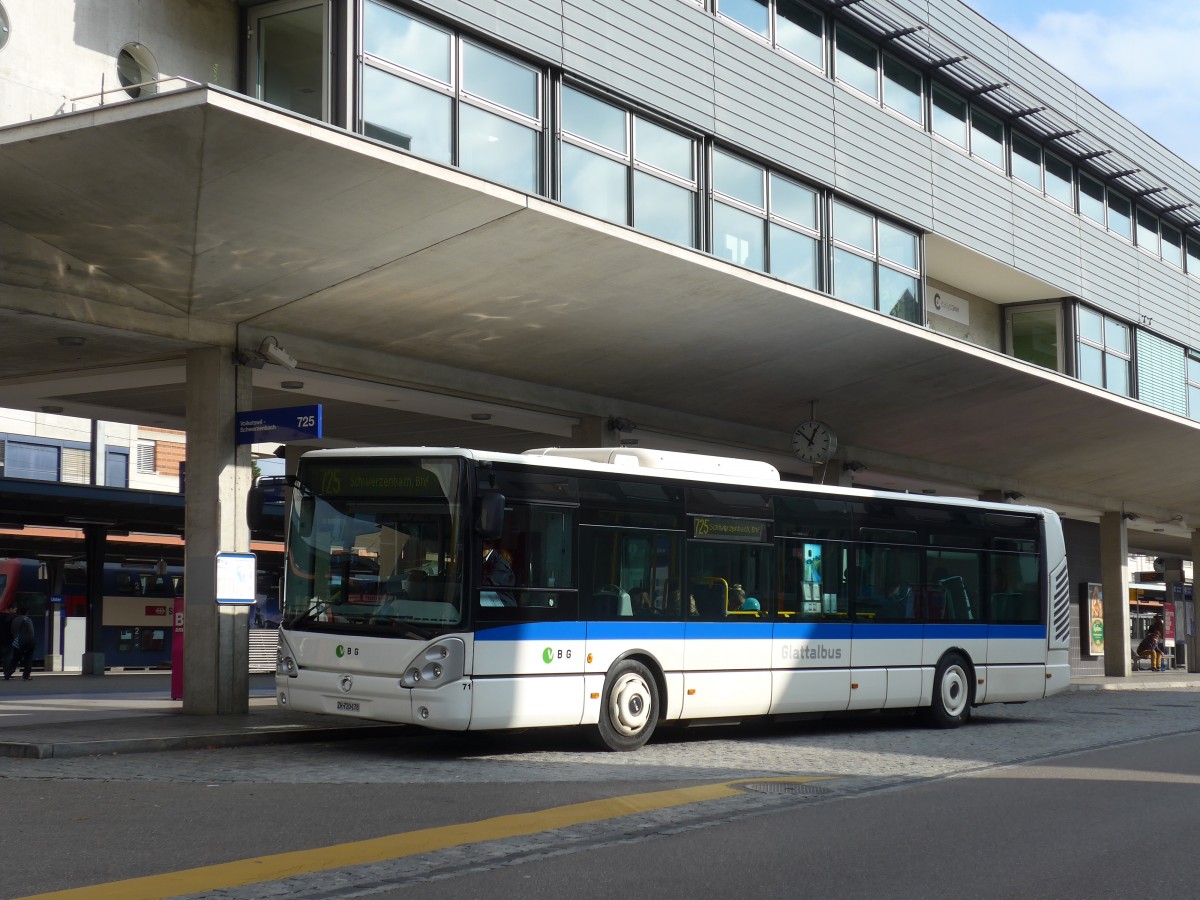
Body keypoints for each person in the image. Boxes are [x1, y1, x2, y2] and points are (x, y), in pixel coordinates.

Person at [5, 604, 35, 681]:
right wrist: (32, 642)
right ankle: (26, 675)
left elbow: (12, 631)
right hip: (27, 643)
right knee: (28, 660)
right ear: (27, 612)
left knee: (15, 659)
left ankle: (8, 673)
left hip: (17, 642)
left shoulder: (15, 619)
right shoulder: (27, 620)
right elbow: (31, 632)